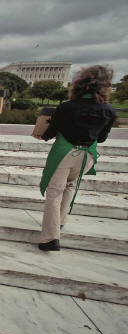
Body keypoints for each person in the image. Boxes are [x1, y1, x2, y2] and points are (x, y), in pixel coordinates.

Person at [36, 65, 116, 251]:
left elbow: (49, 133)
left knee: (54, 192)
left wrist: (41, 134)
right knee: (70, 186)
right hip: (87, 155)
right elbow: (102, 138)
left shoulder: (66, 107)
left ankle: (50, 237)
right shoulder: (109, 110)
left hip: (64, 153)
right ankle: (61, 221)